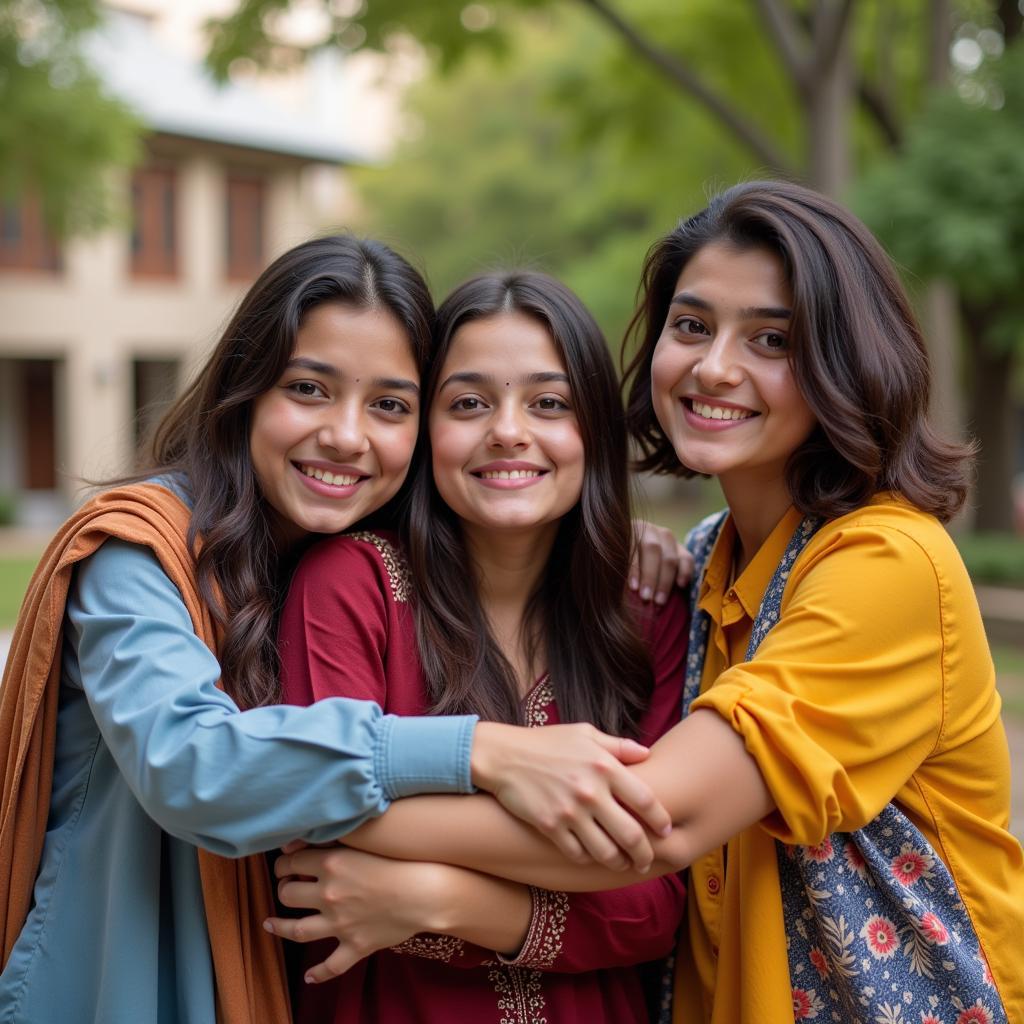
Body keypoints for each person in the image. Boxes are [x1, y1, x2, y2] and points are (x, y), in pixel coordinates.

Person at [270, 183, 1024, 1023]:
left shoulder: (887, 563)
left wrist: (394, 859)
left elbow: (649, 833)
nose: (713, 366)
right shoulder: (692, 570)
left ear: (845, 361)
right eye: (692, 326)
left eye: (771, 338)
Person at [0, 236, 676, 1024]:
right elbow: (193, 766)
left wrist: (438, 893)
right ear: (245, 389)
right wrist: (485, 751)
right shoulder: (140, 552)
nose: (347, 436)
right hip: (119, 986)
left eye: (388, 405)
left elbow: (658, 892)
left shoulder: (346, 549)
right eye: (309, 389)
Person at [271, 271, 689, 1023]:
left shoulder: (646, 610)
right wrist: (573, 881)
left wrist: (434, 897)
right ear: (427, 428)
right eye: (468, 403)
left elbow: (656, 900)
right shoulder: (353, 584)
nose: (507, 430)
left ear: (593, 429)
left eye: (549, 403)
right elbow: (321, 836)